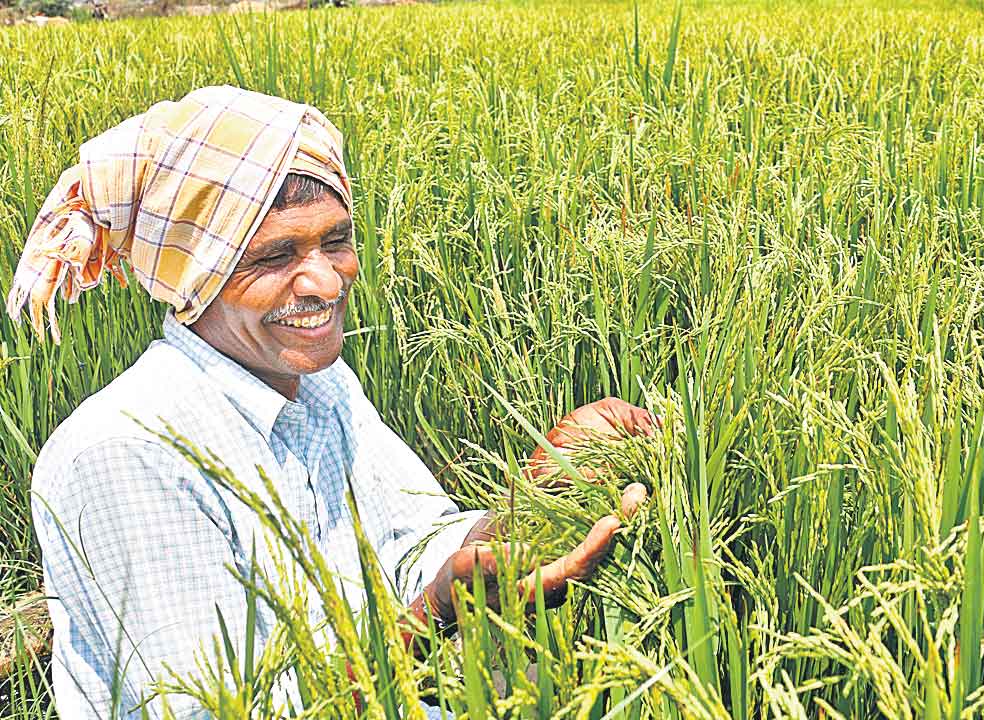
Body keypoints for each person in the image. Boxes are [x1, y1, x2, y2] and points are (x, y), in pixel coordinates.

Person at [6, 86, 655, 719]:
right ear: (192, 278)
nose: (324, 281)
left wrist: (539, 488)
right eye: (275, 256)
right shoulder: (129, 455)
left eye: (335, 241)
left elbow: (412, 546)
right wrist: (433, 616)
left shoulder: (316, 384)